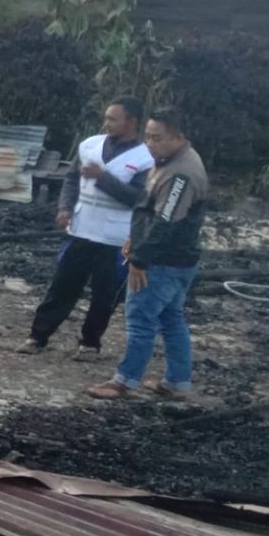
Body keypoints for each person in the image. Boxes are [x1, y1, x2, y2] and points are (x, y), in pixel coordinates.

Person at [17, 97, 152, 360]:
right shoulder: (90, 145)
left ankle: (90, 343)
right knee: (61, 287)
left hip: (115, 238)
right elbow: (71, 179)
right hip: (81, 230)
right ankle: (37, 336)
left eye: (114, 119)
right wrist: (64, 207)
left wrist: (103, 179)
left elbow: (138, 199)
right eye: (106, 118)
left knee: (105, 295)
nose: (107, 123)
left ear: (131, 122)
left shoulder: (145, 159)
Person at [87, 111, 208, 401]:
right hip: (177, 258)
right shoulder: (171, 160)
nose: (150, 143)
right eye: (148, 136)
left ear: (178, 137)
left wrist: (140, 259)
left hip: (163, 261)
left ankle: (125, 381)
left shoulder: (181, 173)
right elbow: (149, 209)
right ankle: (177, 381)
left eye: (157, 138)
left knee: (140, 318)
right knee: (171, 318)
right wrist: (134, 238)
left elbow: (166, 222)